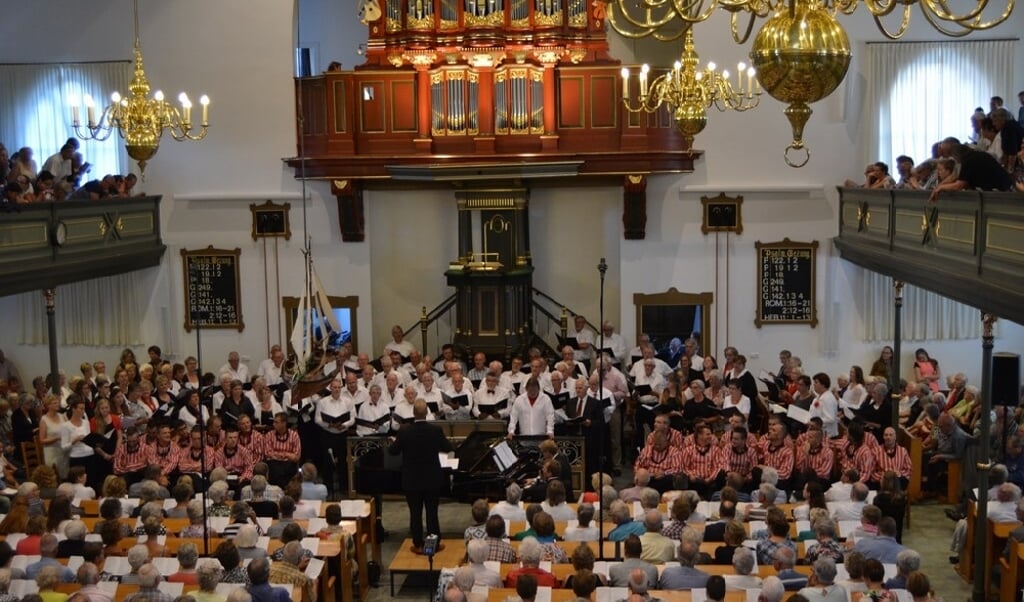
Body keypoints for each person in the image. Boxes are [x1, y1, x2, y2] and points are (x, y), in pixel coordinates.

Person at [389, 399, 453, 554]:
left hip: (412, 480)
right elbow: (448, 447)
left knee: (415, 514)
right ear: (426, 413)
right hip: (432, 479)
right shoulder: (435, 430)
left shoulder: (405, 431)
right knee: (432, 513)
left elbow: (393, 451)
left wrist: (394, 441)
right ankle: (434, 545)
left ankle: (418, 544)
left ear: (413, 413)